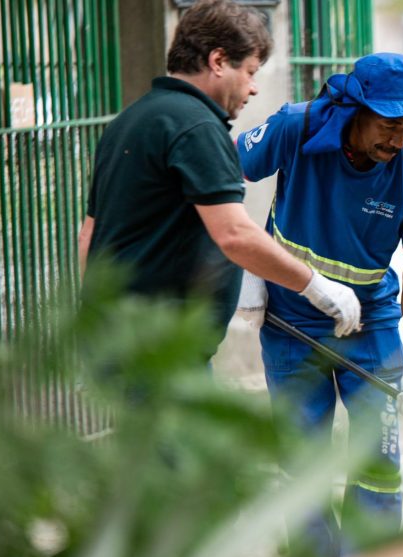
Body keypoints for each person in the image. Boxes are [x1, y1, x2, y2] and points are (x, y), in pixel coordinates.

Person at [234, 52, 403, 557]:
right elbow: (213, 175)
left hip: (371, 326)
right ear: (355, 108)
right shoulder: (295, 127)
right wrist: (240, 259)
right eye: (389, 124)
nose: (398, 139)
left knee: (379, 462)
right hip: (291, 324)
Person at [77, 0, 361, 361]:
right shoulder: (197, 128)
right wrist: (315, 285)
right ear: (218, 61)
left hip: (120, 338)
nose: (254, 87)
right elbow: (234, 234)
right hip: (163, 351)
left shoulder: (128, 120)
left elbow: (89, 236)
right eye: (250, 72)